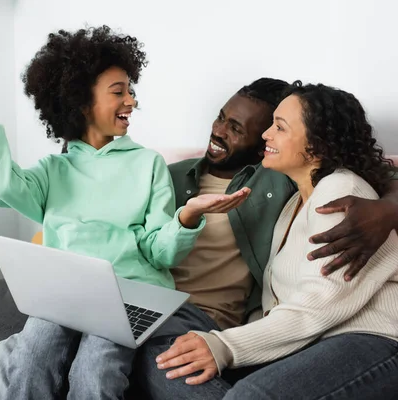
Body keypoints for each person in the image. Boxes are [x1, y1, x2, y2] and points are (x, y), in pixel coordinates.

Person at [0, 26, 250, 400]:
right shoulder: (54, 170)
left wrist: (187, 216)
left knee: (96, 369)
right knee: (33, 351)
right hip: (64, 292)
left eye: (131, 90)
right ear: (82, 102)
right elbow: (1, 186)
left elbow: (159, 251)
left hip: (128, 294)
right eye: (118, 92)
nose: (131, 101)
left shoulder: (148, 164)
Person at [153, 82, 398, 399]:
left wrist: (226, 345)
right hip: (311, 343)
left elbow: (321, 303)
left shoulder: (341, 193)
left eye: (279, 128)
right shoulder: (293, 205)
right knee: (173, 365)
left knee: (250, 395)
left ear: (317, 146)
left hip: (371, 338)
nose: (266, 135)